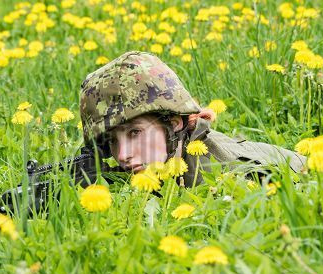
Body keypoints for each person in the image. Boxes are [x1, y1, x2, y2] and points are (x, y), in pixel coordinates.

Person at [79, 51, 307, 187]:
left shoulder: (223, 177)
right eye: (113, 140)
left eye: (135, 133)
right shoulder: (168, 158)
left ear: (174, 123)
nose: (122, 154)